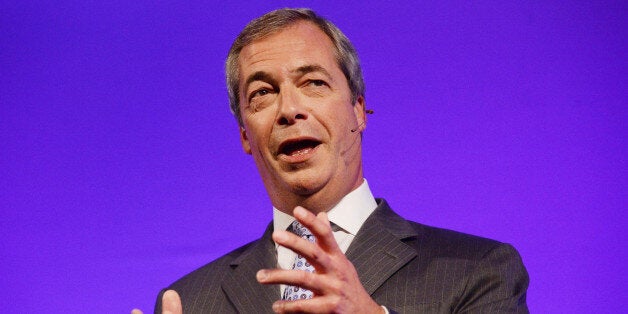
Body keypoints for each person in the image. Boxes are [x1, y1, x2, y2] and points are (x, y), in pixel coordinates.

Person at [149, 8, 529, 314]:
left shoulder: (478, 271)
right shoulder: (190, 301)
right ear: (245, 135)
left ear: (358, 111)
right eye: (263, 92)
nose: (290, 109)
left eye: (313, 83)